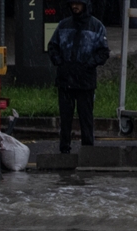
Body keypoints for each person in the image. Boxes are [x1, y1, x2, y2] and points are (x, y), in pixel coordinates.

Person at [47, 0, 110, 155]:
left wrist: (88, 65)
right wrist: (60, 62)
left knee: (86, 118)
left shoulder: (96, 26)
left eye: (78, 4)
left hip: (85, 81)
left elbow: (103, 52)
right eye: (73, 3)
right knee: (65, 118)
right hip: (66, 79)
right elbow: (52, 46)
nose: (75, 7)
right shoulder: (64, 25)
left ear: (85, 5)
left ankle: (87, 151)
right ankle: (64, 150)